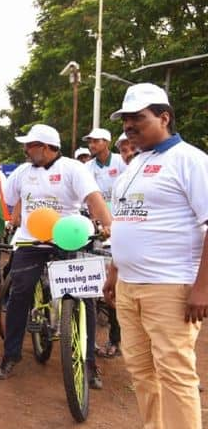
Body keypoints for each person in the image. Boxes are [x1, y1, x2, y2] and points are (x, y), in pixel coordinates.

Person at [0, 124, 111, 387]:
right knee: (19, 295)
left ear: (47, 147)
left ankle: (89, 362)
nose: (26, 150)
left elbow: (94, 200)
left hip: (69, 238)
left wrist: (109, 226)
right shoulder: (22, 173)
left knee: (85, 298)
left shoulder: (73, 169)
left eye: (31, 145)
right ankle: (11, 355)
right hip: (31, 241)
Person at [103, 82, 207, 429]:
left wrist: (202, 288)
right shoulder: (136, 163)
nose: (130, 125)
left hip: (171, 287)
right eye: (126, 119)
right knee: (141, 368)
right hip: (130, 285)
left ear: (164, 117)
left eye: (138, 118)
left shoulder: (191, 160)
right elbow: (124, 222)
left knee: (176, 374)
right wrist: (114, 272)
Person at [82, 128, 126, 360]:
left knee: (115, 287)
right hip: (96, 230)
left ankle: (115, 338)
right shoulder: (86, 168)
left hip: (121, 227)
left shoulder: (121, 162)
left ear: (107, 142)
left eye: (96, 141)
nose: (92, 144)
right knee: (95, 283)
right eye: (89, 141)